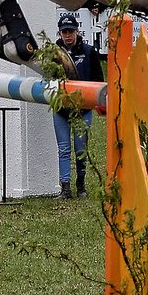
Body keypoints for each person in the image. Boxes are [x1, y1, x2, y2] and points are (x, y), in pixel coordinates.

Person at [48, 12, 102, 199]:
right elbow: (47, 79)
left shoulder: (89, 52)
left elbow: (98, 80)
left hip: (83, 109)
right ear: (60, 33)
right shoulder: (53, 53)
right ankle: (65, 188)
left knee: (80, 149)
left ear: (77, 31)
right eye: (64, 32)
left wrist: (95, 102)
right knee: (63, 149)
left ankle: (81, 183)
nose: (68, 35)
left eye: (71, 31)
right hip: (61, 109)